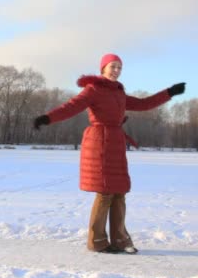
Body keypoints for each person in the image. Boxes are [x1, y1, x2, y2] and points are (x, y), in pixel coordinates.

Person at [33, 53, 185, 254]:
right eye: (112, 66)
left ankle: (120, 240)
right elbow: (71, 106)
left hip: (116, 142)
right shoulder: (93, 89)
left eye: (119, 68)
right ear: (103, 68)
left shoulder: (119, 93)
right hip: (100, 143)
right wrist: (47, 118)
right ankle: (97, 241)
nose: (116, 71)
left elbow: (143, 104)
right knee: (105, 193)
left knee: (119, 192)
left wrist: (169, 92)